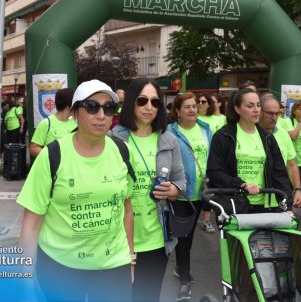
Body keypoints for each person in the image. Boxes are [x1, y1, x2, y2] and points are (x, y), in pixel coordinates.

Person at [17, 80, 133, 302]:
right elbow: (31, 225)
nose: (101, 115)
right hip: (61, 266)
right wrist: (26, 281)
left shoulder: (122, 150)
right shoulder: (51, 156)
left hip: (113, 264)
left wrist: (131, 257)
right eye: (92, 106)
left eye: (109, 108)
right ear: (75, 114)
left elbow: (127, 209)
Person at [110, 77, 186, 302]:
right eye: (142, 100)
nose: (149, 107)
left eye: (155, 102)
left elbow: (181, 183)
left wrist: (171, 190)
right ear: (131, 102)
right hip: (118, 238)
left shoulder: (169, 140)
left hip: (155, 238)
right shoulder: (113, 139)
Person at [207, 88, 292, 213]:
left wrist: (287, 206)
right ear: (237, 109)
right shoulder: (223, 136)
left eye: (258, 105)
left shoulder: (267, 137)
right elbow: (215, 172)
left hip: (264, 205)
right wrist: (242, 185)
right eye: (250, 106)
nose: (256, 110)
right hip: (233, 204)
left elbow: (279, 173)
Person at [167, 92, 213, 301]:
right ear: (177, 111)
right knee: (183, 238)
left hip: (201, 193)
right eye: (187, 107)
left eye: (194, 106)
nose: (193, 109)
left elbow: (212, 158)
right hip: (181, 194)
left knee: (189, 236)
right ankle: (184, 278)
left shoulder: (206, 129)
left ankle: (180, 267)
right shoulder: (170, 133)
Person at [258, 94, 301, 211]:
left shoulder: (283, 134)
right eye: (270, 113)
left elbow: (291, 165)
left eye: (277, 114)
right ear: (259, 111)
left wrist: (298, 190)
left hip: (280, 197)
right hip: (254, 199)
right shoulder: (250, 133)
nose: (274, 117)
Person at [29, 88, 76, 158]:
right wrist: (53, 157)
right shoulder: (46, 123)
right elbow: (33, 148)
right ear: (67, 106)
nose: (77, 107)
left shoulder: (76, 123)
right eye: (75, 103)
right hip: (55, 168)